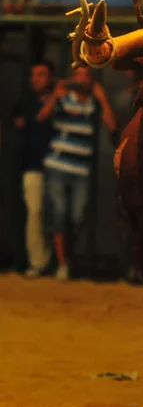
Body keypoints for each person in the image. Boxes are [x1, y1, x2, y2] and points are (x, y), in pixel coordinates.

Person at [38, 66, 118, 282]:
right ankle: (63, 263)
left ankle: (64, 256)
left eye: (86, 76)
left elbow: (112, 126)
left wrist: (102, 98)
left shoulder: (93, 103)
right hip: (57, 165)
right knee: (60, 212)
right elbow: (41, 117)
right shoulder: (63, 99)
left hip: (81, 169)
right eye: (78, 75)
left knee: (78, 215)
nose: (81, 79)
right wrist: (55, 95)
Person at [13, 61, 55, 278]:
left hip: (60, 167)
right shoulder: (25, 103)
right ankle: (38, 262)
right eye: (33, 74)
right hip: (33, 166)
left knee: (60, 216)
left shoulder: (62, 99)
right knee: (35, 213)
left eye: (41, 74)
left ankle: (57, 261)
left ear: (51, 77)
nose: (36, 79)